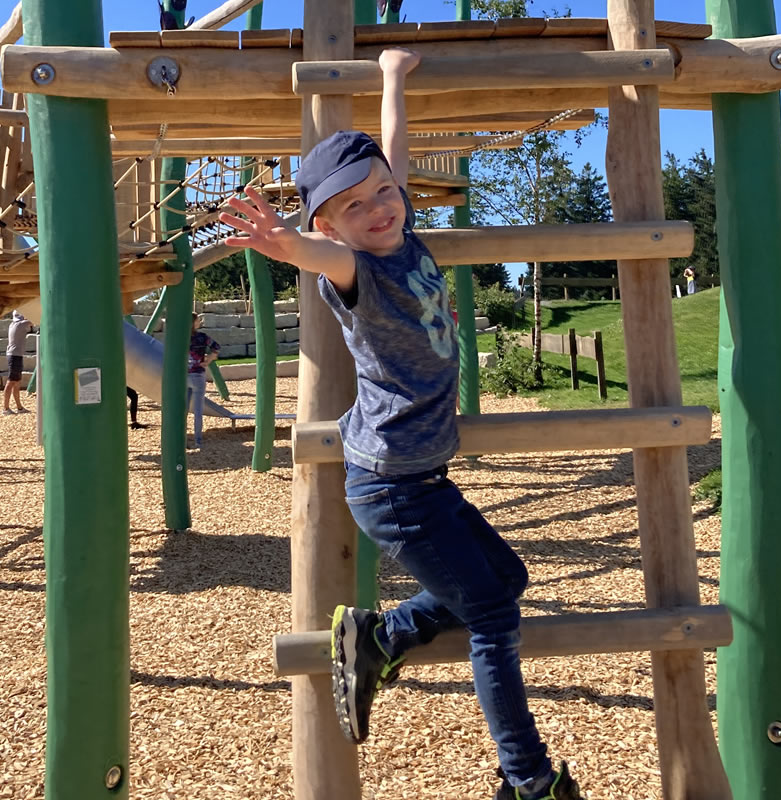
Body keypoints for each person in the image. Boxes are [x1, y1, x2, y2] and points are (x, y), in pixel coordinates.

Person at [219, 48, 580, 800]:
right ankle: (528, 779)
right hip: (391, 487)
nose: (379, 207)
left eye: (384, 192)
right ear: (329, 225)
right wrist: (287, 245)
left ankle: (383, 634)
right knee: (491, 615)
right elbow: (321, 256)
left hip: (424, 477)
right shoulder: (359, 271)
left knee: (507, 579)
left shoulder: (402, 236)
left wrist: (390, 80)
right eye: (355, 206)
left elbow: (395, 157)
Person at [186, 313, 219, 449]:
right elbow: (216, 348)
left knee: (184, 409)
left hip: (184, 376)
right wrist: (208, 360)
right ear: (194, 323)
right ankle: (198, 440)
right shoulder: (202, 337)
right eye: (198, 320)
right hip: (198, 375)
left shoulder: (180, 337)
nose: (200, 322)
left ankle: (180, 439)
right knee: (198, 410)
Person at [3, 310, 32, 415]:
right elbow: (35, 320)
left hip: (15, 355)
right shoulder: (21, 324)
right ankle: (5, 408)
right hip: (15, 356)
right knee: (11, 382)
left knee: (17, 382)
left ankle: (19, 407)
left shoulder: (13, 324)